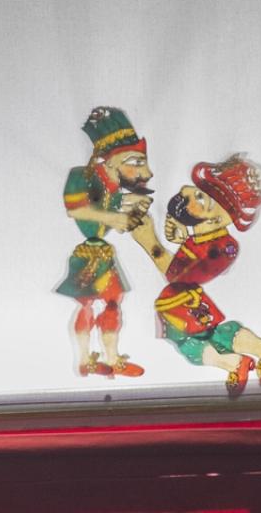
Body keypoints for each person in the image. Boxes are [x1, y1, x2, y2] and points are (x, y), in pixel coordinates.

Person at [132, 154, 261, 396]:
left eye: (201, 197)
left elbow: (176, 275)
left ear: (216, 218)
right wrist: (180, 232)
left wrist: (150, 241)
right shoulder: (207, 239)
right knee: (216, 334)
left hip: (183, 303)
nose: (186, 190)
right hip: (186, 300)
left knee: (190, 344)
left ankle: (236, 364)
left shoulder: (220, 248)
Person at [58, 106, 152, 378]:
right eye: (135, 162)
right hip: (88, 255)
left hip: (103, 254)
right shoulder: (81, 176)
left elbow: (110, 203)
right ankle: (83, 359)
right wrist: (115, 218)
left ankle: (112, 358)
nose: (145, 173)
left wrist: (131, 204)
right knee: (87, 304)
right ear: (112, 160)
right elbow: (76, 209)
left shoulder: (112, 185)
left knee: (113, 304)